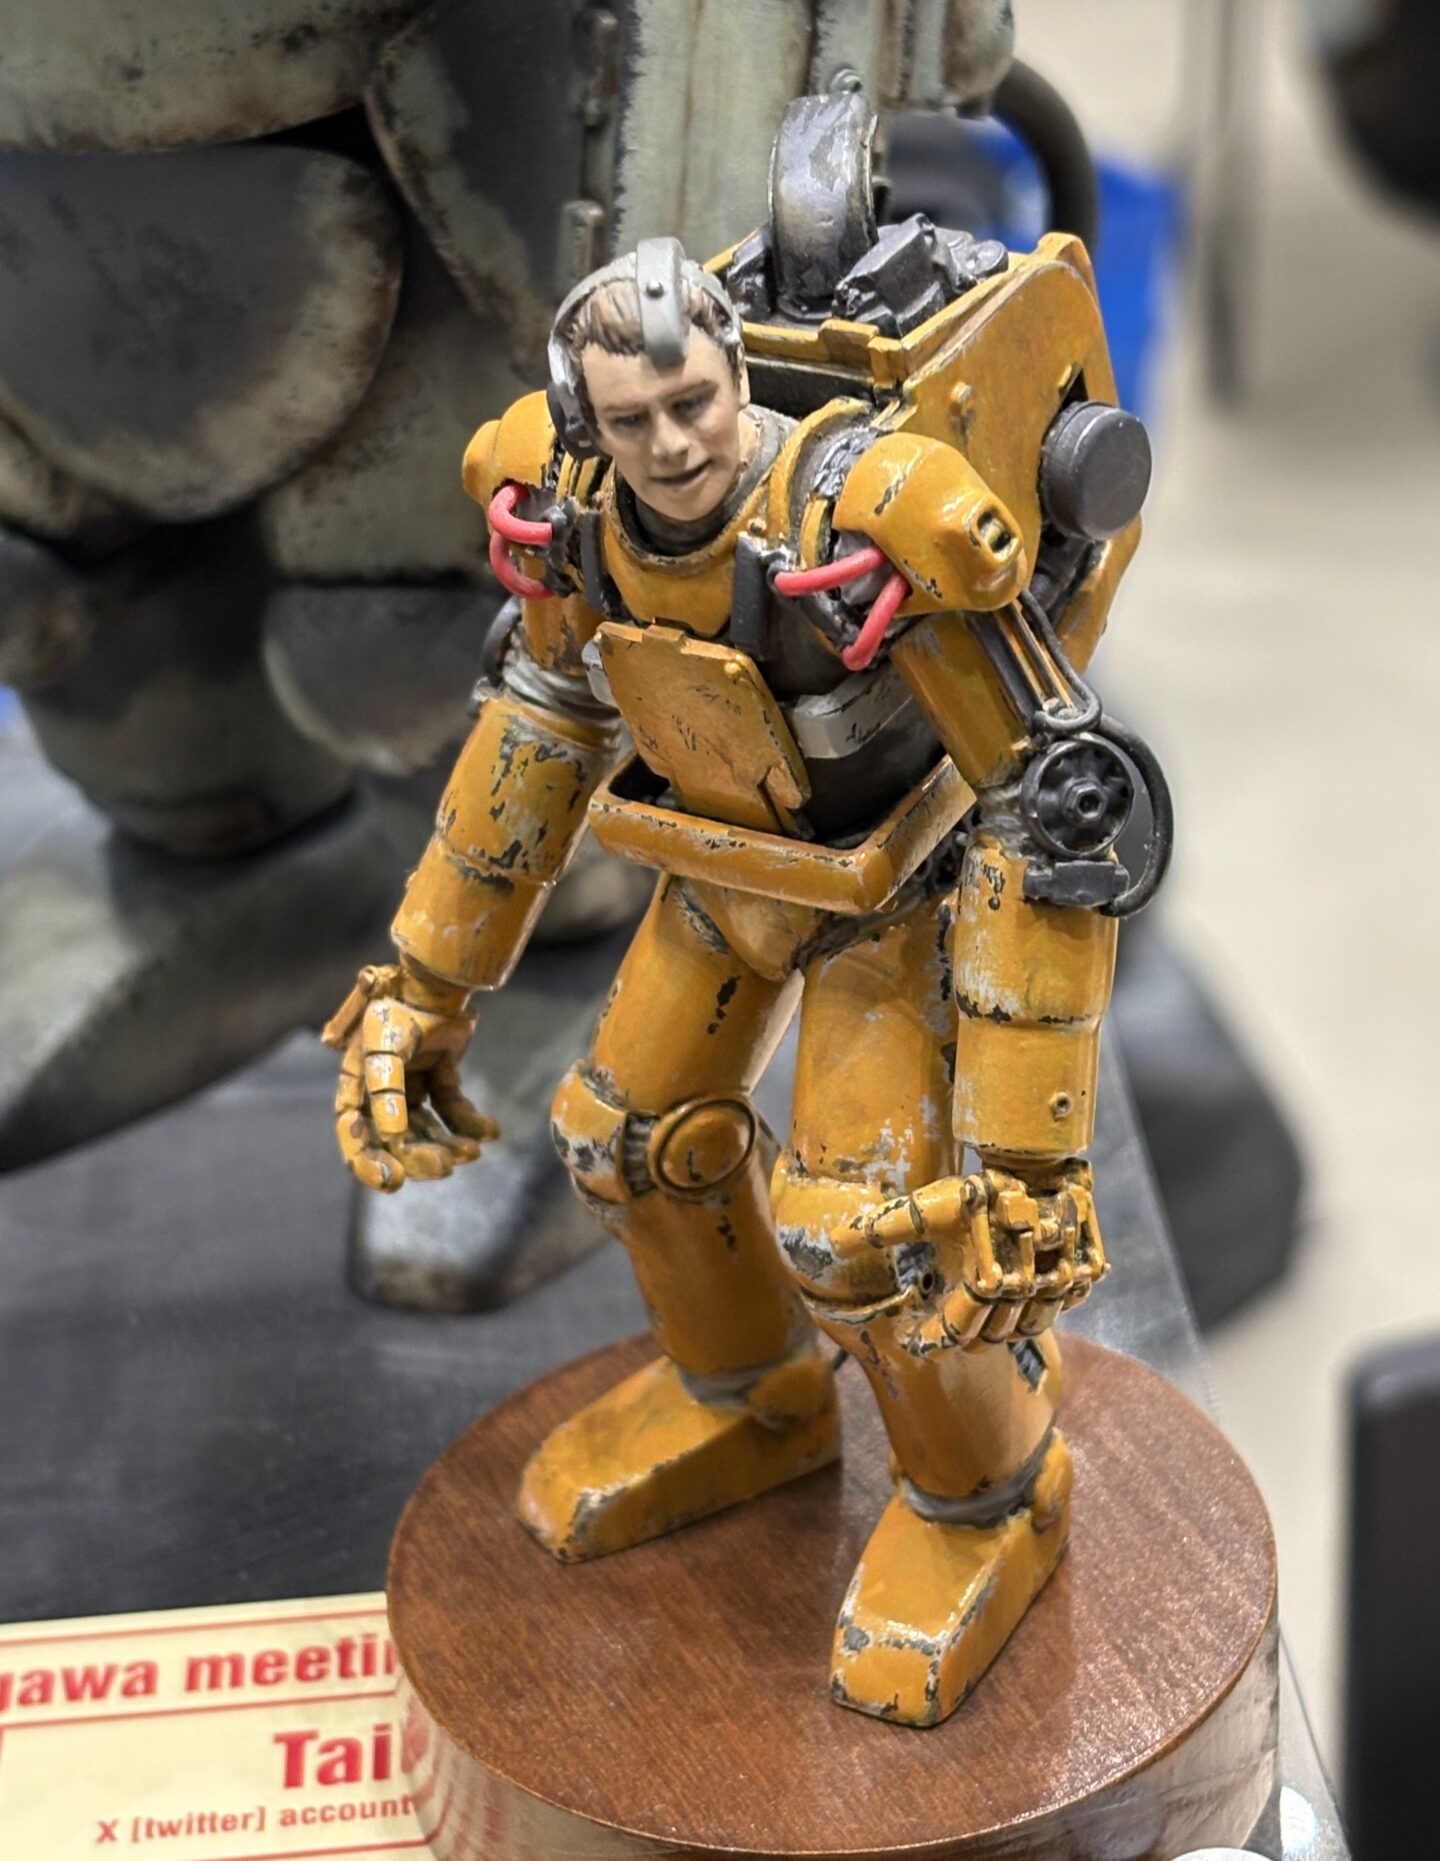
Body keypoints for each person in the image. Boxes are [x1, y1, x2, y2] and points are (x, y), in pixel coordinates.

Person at [326, 207, 1150, 1725]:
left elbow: (1042, 806)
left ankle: (991, 1492)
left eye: (694, 400)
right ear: (586, 423)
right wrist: (425, 982)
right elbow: (540, 728)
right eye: (632, 419)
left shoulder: (864, 527)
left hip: (896, 897)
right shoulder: (574, 516)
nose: (674, 442)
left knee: (864, 1235)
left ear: (735, 379)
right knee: (624, 1139)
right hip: (720, 871)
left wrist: (1030, 1158)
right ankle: (750, 1391)